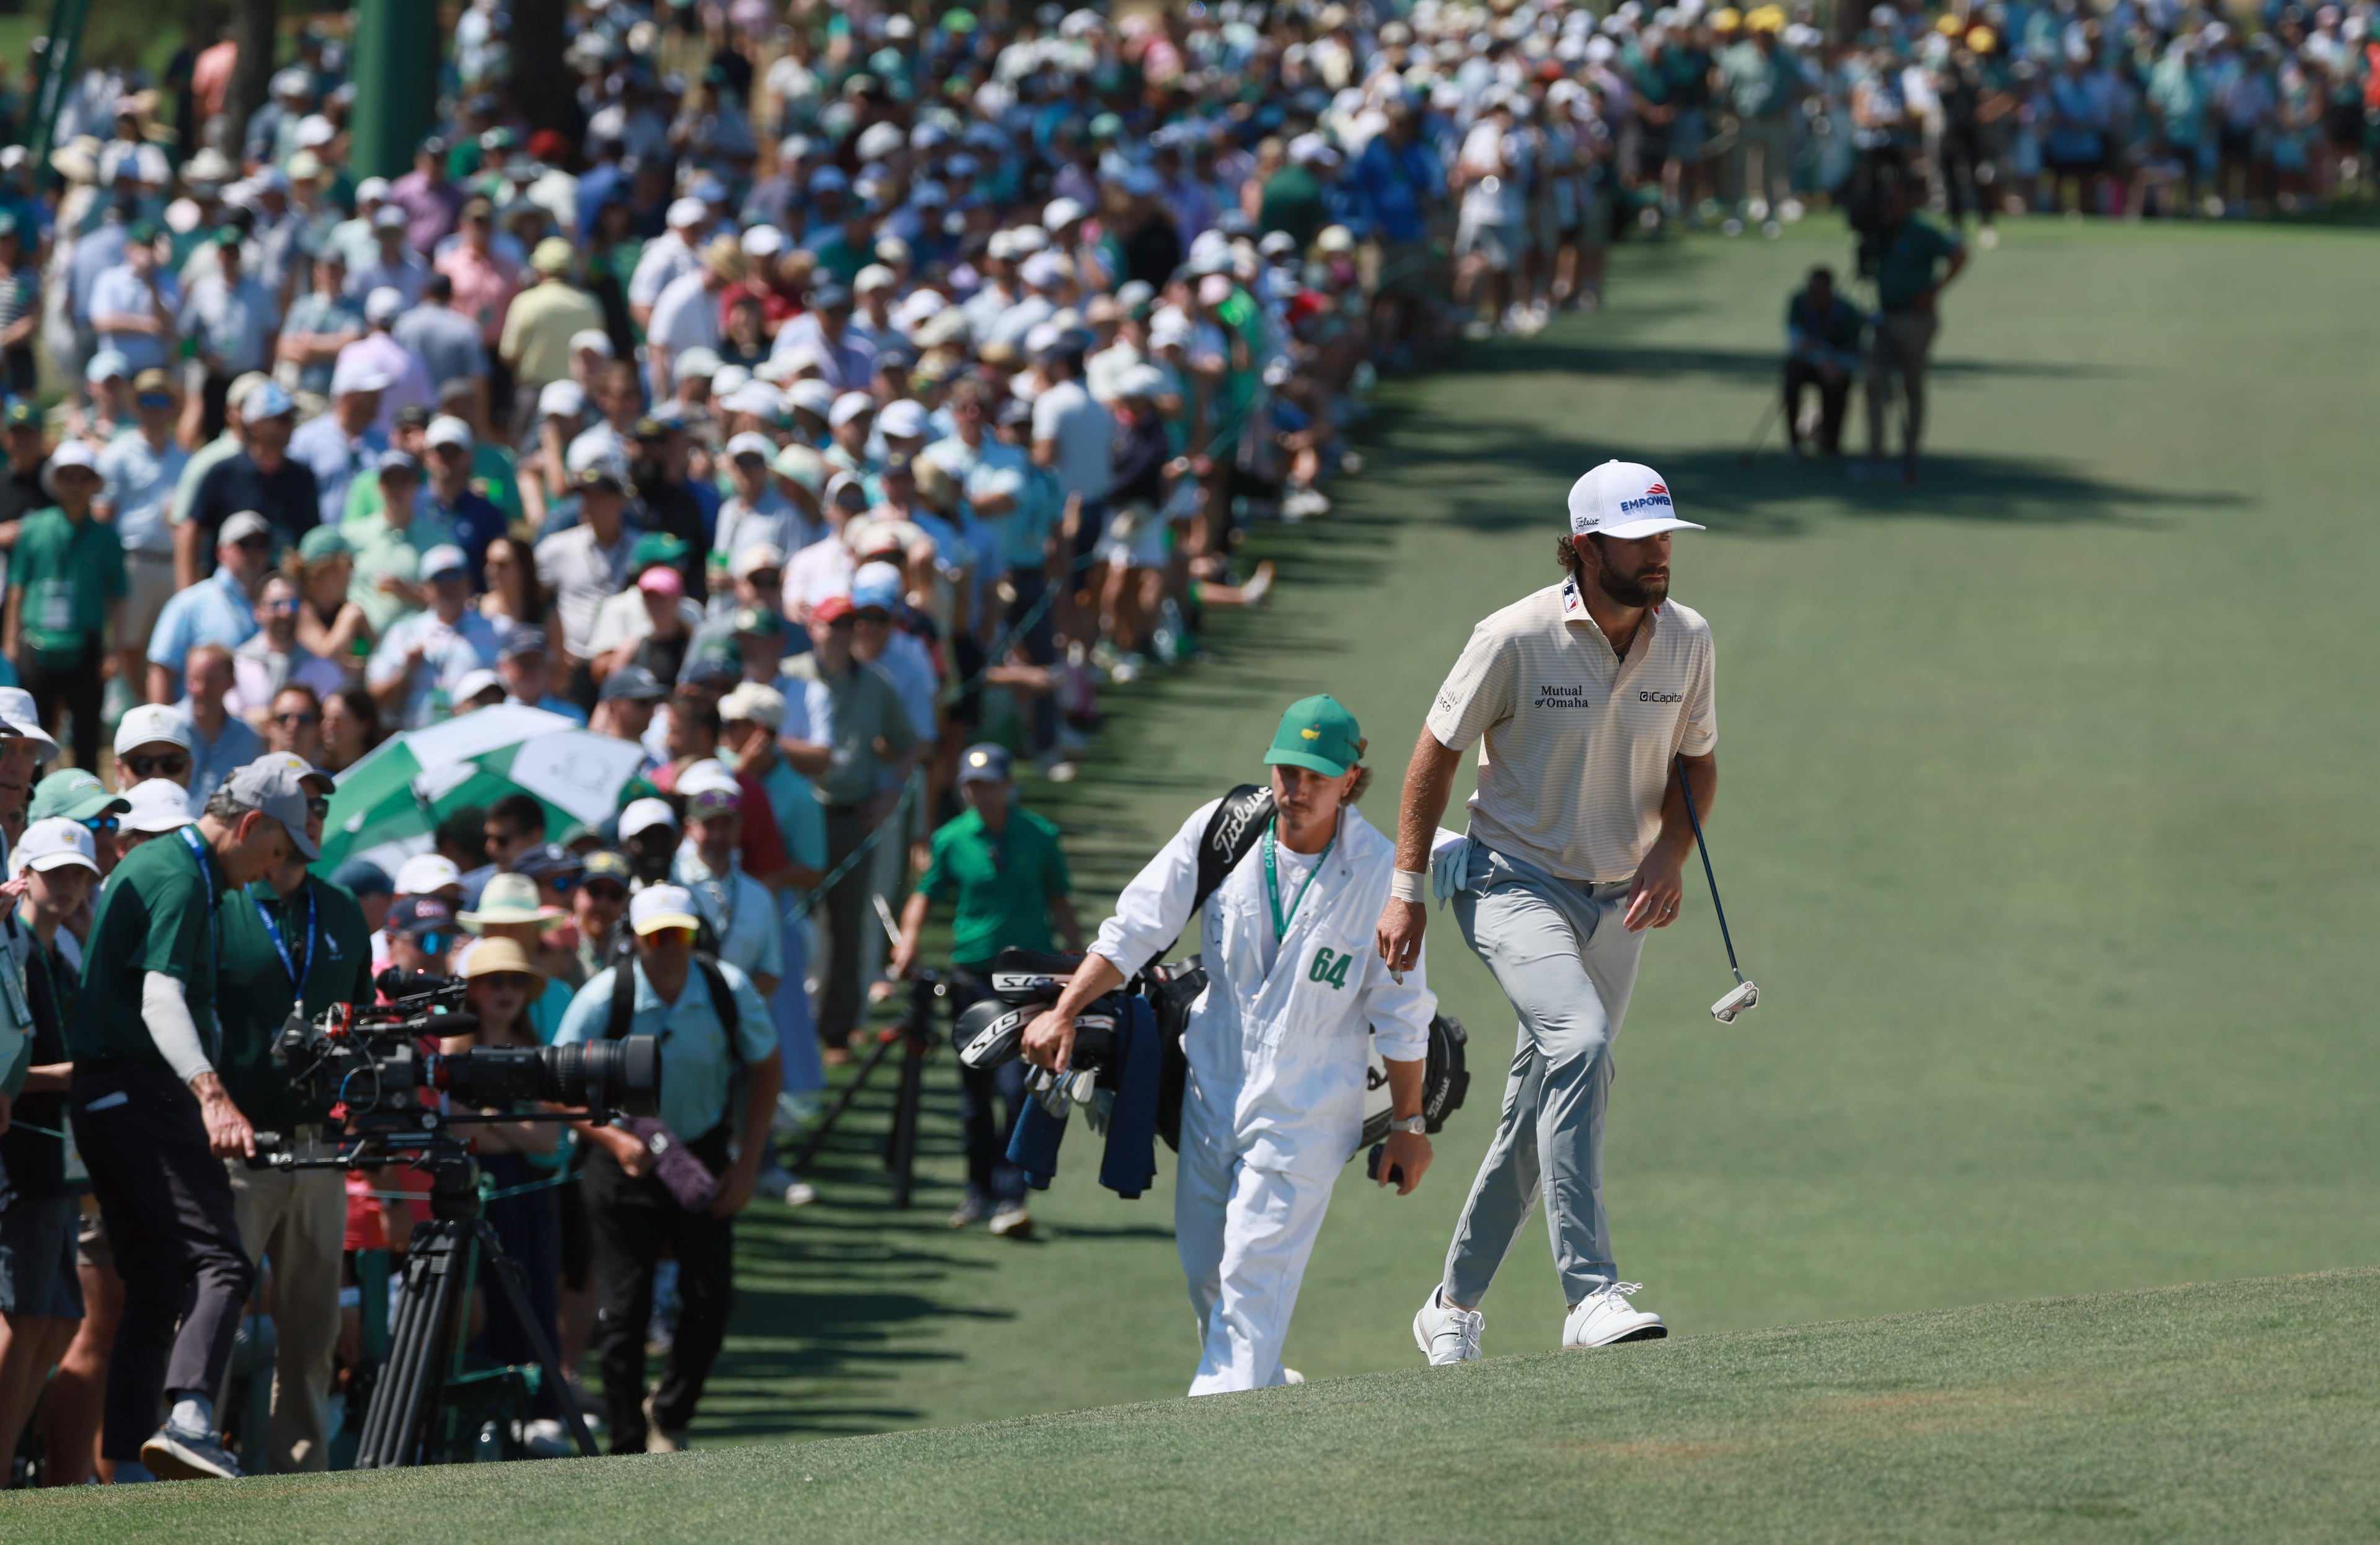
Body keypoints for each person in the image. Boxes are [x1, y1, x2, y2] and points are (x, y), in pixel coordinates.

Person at [1380, 459, 1717, 1365]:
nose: (1659, 555)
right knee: (1581, 1048)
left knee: (1545, 1103)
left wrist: (1669, 854)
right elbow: (1432, 757)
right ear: (1582, 546)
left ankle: (1451, 1305)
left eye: (1665, 539)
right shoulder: (1514, 635)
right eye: (1640, 539)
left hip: (1620, 904)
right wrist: (1408, 887)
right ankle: (1590, 1294)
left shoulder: (1687, 639)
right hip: (1511, 882)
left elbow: (1699, 764)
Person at [1023, 697, 1437, 1393]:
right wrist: (1066, 1008)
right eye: (1285, 770)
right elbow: (1135, 927)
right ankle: (1263, 1389)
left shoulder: (1381, 873)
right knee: (1209, 1273)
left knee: (1251, 1274)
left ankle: (1216, 1431)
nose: (1294, 789)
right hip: (1211, 1084)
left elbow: (1401, 1009)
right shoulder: (1224, 829)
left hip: (1307, 1105)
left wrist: (1408, 1122)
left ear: (1350, 779)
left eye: (1314, 775)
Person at [66, 759, 318, 1481]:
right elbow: (160, 999)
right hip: (141, 1092)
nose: (271, 872)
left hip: (107, 1097)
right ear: (248, 825)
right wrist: (212, 1094)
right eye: (274, 852)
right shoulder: (182, 873)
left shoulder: (181, 869)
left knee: (156, 1280)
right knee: (222, 1259)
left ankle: (125, 1466)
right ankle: (189, 1417)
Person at [553, 885, 781, 1453]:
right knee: (625, 1312)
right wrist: (611, 1140)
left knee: (710, 1300)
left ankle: (671, 1412)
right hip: (622, 1163)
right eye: (656, 936)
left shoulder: (728, 988)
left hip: (700, 1154)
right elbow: (559, 1086)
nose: (668, 947)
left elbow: (767, 1070)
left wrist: (747, 1167)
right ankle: (629, 1443)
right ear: (634, 939)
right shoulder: (607, 996)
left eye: (678, 934)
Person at [211, 755, 369, 1473]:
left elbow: (362, 1022)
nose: (313, 818)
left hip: (319, 1146)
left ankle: (301, 1481)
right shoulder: (225, 902)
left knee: (312, 1328)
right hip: (237, 1146)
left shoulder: (340, 910)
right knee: (211, 1318)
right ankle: (188, 1463)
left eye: (322, 808)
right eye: (301, 804)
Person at [889, 745, 1083, 1237]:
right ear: (963, 791)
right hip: (972, 979)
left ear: (1007, 785)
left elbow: (1058, 899)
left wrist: (1081, 961)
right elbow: (924, 894)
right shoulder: (953, 839)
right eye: (973, 786)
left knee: (1016, 1088)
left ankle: (1010, 1194)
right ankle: (978, 1190)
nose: (983, 794)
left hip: (1029, 981)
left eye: (991, 784)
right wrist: (909, 938)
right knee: (975, 1094)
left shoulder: (1039, 835)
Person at [779, 595, 921, 1060]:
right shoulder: (790, 674)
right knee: (791, 924)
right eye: (832, 625)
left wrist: (892, 794)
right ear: (813, 627)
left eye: (848, 626)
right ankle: (790, 1022)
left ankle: (836, 1030)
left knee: (847, 925)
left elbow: (907, 744)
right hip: (800, 814)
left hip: (850, 814)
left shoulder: (876, 684)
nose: (840, 634)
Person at [0, 818, 87, 1474]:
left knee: (55, 1321)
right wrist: (74, 1076)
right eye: (54, 872)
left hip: (58, 1160)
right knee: (23, 1319)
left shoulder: (60, 952)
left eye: (78, 872)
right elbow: (6, 1070)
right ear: (22, 875)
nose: (67, 884)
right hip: (23, 1157)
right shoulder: (14, 945)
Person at [4, 440, 125, 770]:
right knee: (31, 736)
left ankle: (89, 812)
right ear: (55, 481)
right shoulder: (34, 529)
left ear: (93, 484)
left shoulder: (107, 538)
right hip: (37, 642)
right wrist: (10, 644)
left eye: (82, 478)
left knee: (86, 740)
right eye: (67, 477)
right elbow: (17, 587)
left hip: (85, 646)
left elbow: (118, 597)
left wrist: (114, 649)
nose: (74, 486)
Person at [1857, 179, 1966, 483]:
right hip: (1885, 316)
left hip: (1916, 319)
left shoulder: (1922, 232)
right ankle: (1875, 453)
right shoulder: (1880, 233)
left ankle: (1910, 454)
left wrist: (1935, 290)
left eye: (1896, 200)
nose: (1890, 207)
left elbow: (1959, 255)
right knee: (1874, 381)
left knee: (1911, 384)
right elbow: (1867, 269)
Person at [366, 544, 501, 728]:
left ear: (468, 581)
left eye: (454, 575)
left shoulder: (496, 630)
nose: (448, 585)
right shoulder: (404, 632)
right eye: (439, 578)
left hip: (477, 739)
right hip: (420, 744)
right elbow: (375, 700)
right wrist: (405, 674)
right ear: (425, 588)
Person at [147, 509, 271, 705]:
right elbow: (162, 670)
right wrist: (163, 730)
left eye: (261, 545)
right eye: (244, 544)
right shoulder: (189, 603)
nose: (254, 552)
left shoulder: (276, 604)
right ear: (220, 552)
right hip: (197, 729)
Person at [168, 644, 267, 810]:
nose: (201, 689)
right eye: (194, 680)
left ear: (231, 682)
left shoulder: (248, 739)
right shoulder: (167, 728)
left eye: (211, 680)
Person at [1783, 266, 1866, 459]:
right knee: (1792, 373)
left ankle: (1830, 442)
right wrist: (1823, 358)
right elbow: (1797, 344)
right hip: (1808, 364)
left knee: (1839, 383)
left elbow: (1854, 354)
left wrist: (1830, 361)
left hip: (1837, 366)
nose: (1812, 298)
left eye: (1817, 293)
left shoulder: (1847, 312)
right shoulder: (1799, 303)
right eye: (1810, 292)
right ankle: (1794, 444)